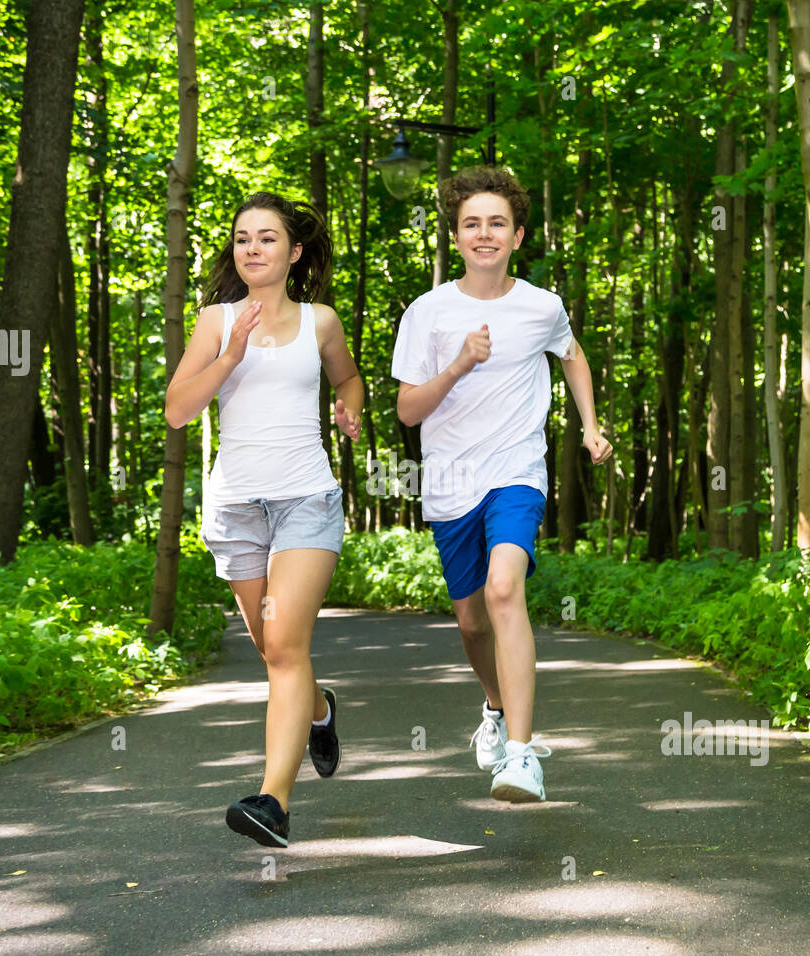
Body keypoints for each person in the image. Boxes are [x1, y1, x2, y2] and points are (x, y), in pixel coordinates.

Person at [392, 166, 612, 802]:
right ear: (455, 236)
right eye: (471, 224)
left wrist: (590, 427)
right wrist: (460, 362)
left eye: (496, 223)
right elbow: (409, 410)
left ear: (518, 236)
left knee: (504, 588)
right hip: (450, 481)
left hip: (517, 472)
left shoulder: (542, 306)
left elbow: (573, 356)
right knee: (470, 624)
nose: (484, 234)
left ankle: (522, 756)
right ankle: (493, 708)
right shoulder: (427, 313)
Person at [165, 191, 363, 847]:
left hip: (306, 497)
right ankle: (319, 709)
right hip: (236, 507)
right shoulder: (215, 320)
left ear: (294, 251)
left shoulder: (321, 320)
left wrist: (350, 408)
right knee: (274, 650)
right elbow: (177, 410)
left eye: (268, 237)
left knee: (282, 647)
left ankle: (272, 803)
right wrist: (229, 355)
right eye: (243, 237)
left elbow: (347, 379)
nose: (253, 247)